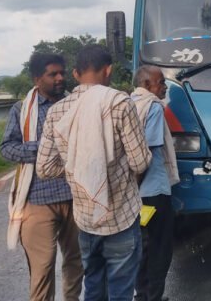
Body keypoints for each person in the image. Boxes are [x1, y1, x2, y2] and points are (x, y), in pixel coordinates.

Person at [36, 45, 152, 301]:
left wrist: (77, 168)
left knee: (94, 284)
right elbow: (140, 162)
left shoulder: (57, 111)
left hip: (86, 220)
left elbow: (44, 168)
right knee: (121, 290)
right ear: (108, 70)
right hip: (121, 217)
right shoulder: (119, 102)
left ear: (76, 74)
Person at [0, 53, 83, 301]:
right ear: (37, 79)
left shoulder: (74, 105)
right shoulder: (22, 110)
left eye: (62, 72)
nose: (60, 78)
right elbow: (7, 148)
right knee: (43, 267)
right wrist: (43, 149)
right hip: (37, 200)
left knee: (76, 262)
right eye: (53, 74)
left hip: (74, 197)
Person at [130, 66, 179, 301]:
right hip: (153, 193)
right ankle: (154, 297)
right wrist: (137, 185)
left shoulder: (128, 103)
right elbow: (147, 152)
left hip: (136, 195)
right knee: (160, 249)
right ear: (147, 84)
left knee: (143, 247)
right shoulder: (153, 107)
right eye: (160, 82)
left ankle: (142, 296)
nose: (164, 86)